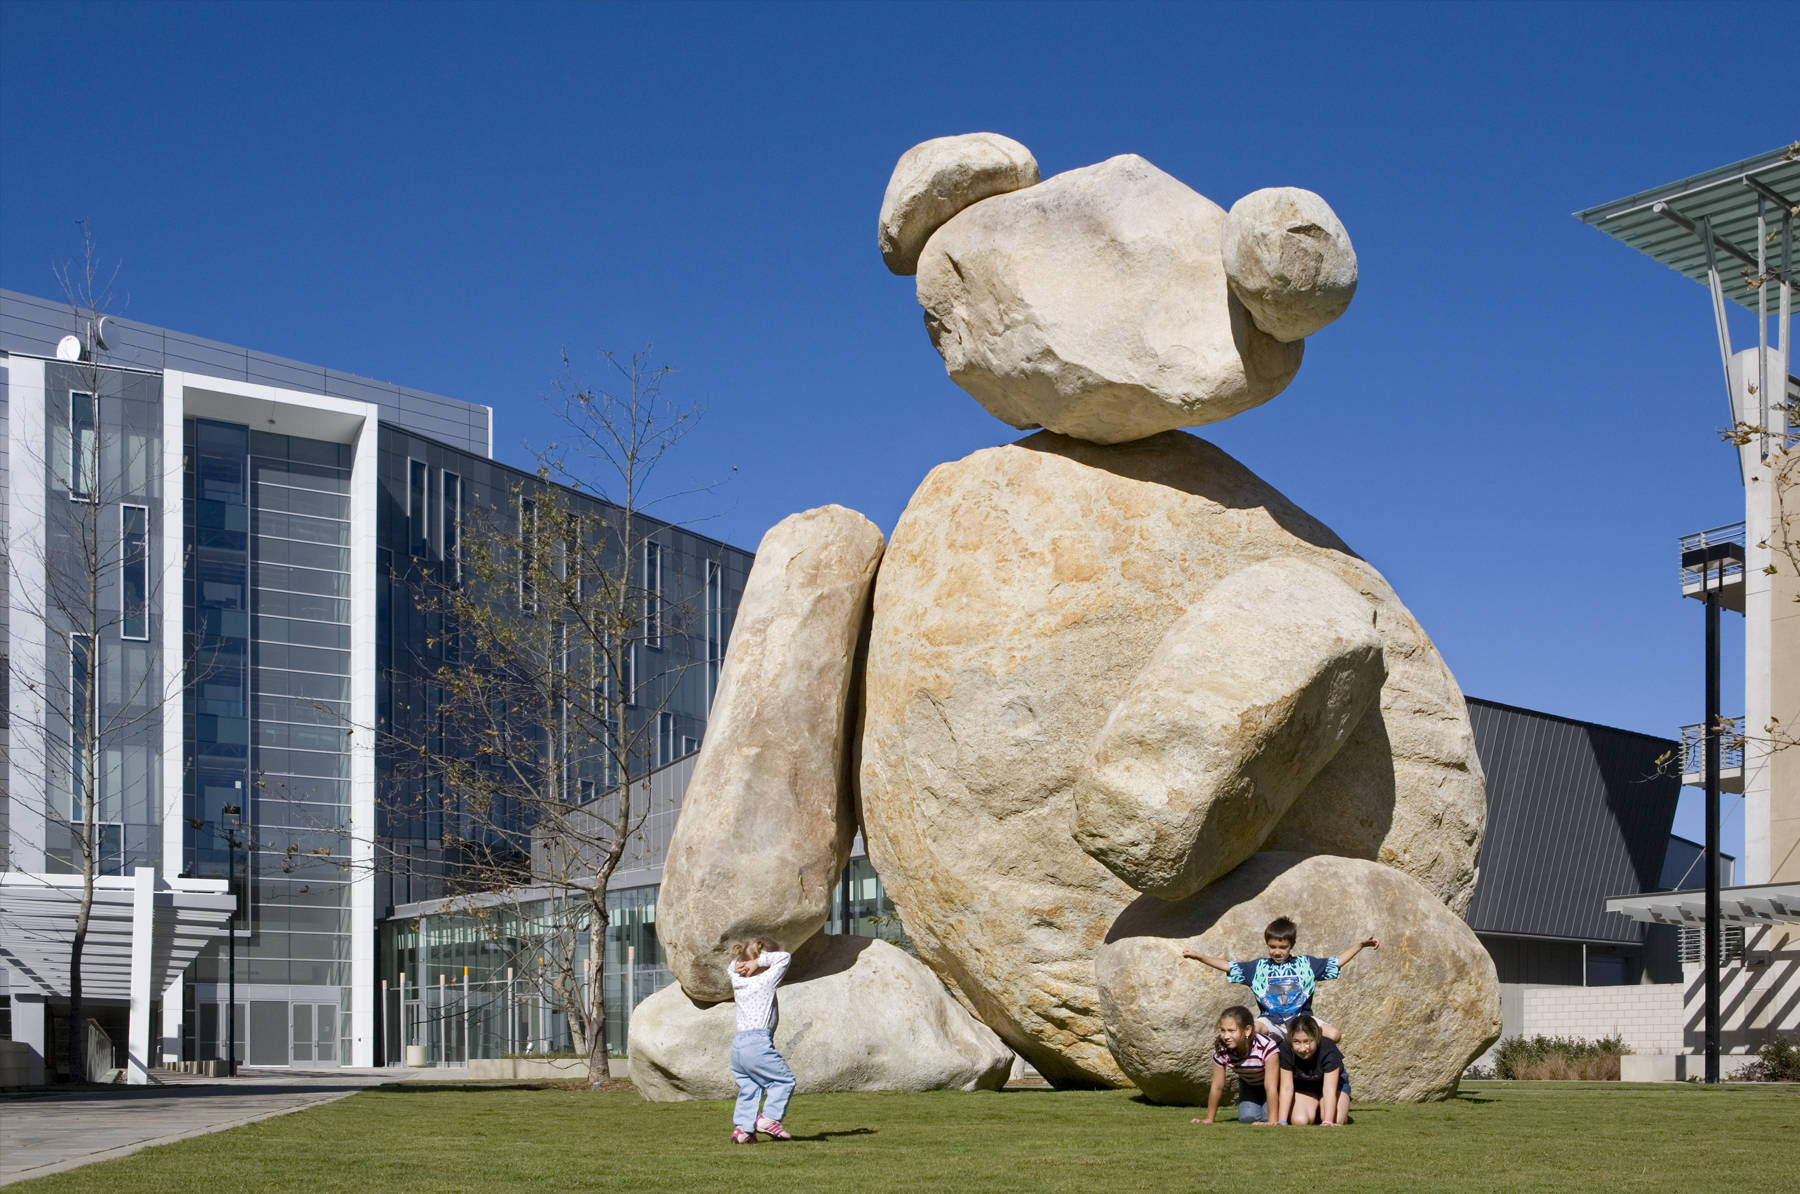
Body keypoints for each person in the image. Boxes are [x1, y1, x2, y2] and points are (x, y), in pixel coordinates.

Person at [1180, 916, 1377, 1041]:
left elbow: (1336, 962)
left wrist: (1359, 945)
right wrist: (1200, 957)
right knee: (1251, 1030)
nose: (1277, 951)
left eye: (1282, 947)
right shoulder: (1258, 968)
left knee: (1334, 1035)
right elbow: (1228, 965)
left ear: (1291, 945)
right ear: (1267, 945)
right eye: (1272, 947)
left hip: (1302, 1020)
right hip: (1271, 1021)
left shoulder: (1306, 965)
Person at [726, 936, 795, 1144]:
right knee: (784, 1080)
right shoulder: (765, 980)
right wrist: (759, 962)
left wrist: (744, 963)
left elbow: (731, 966)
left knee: (751, 1087)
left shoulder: (737, 980)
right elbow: (784, 957)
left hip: (738, 1047)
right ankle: (769, 1118)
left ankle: (743, 1130)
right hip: (757, 1042)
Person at [1190, 1005, 1280, 1126]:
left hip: (1273, 1085)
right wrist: (1209, 1119)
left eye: (1231, 1030)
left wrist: (1272, 1121)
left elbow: (1271, 1086)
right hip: (1249, 1085)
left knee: (1266, 1117)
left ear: (1248, 1030)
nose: (1226, 1036)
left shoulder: (1266, 1046)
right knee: (1247, 1119)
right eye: (1223, 1030)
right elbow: (1217, 1086)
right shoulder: (1222, 1049)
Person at [1273, 1014, 1351, 1126]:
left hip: (1333, 1086)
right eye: (1297, 1042)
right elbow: (1286, 1087)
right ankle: (1316, 1107)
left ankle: (1324, 1110)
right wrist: (1282, 1121)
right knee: (1299, 1120)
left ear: (1316, 1037)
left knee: (1336, 1119)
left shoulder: (1328, 1049)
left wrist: (1328, 1122)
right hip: (1305, 1087)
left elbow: (1329, 1089)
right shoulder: (1285, 1049)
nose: (1303, 1048)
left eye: (1307, 1041)